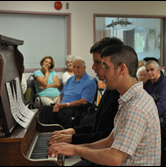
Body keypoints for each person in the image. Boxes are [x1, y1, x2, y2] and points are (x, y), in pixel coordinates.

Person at [47, 45, 161, 166]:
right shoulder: (129, 99)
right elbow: (109, 141)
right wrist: (74, 146)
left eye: (105, 67)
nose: (101, 72)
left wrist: (76, 149)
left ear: (122, 68)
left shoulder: (135, 107)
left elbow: (115, 158)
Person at [46, 37, 123, 166]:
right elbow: (100, 126)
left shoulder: (124, 97)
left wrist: (74, 142)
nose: (93, 67)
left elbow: (108, 140)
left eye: (99, 63)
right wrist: (73, 132)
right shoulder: (111, 89)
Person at [40, 57, 97, 129]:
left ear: (84, 67)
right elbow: (61, 95)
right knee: (45, 109)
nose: (76, 69)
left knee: (58, 114)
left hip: (75, 109)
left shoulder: (90, 82)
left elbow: (84, 101)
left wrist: (64, 105)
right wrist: (58, 103)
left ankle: (54, 132)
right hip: (62, 106)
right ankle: (42, 133)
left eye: (78, 67)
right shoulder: (70, 79)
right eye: (74, 67)